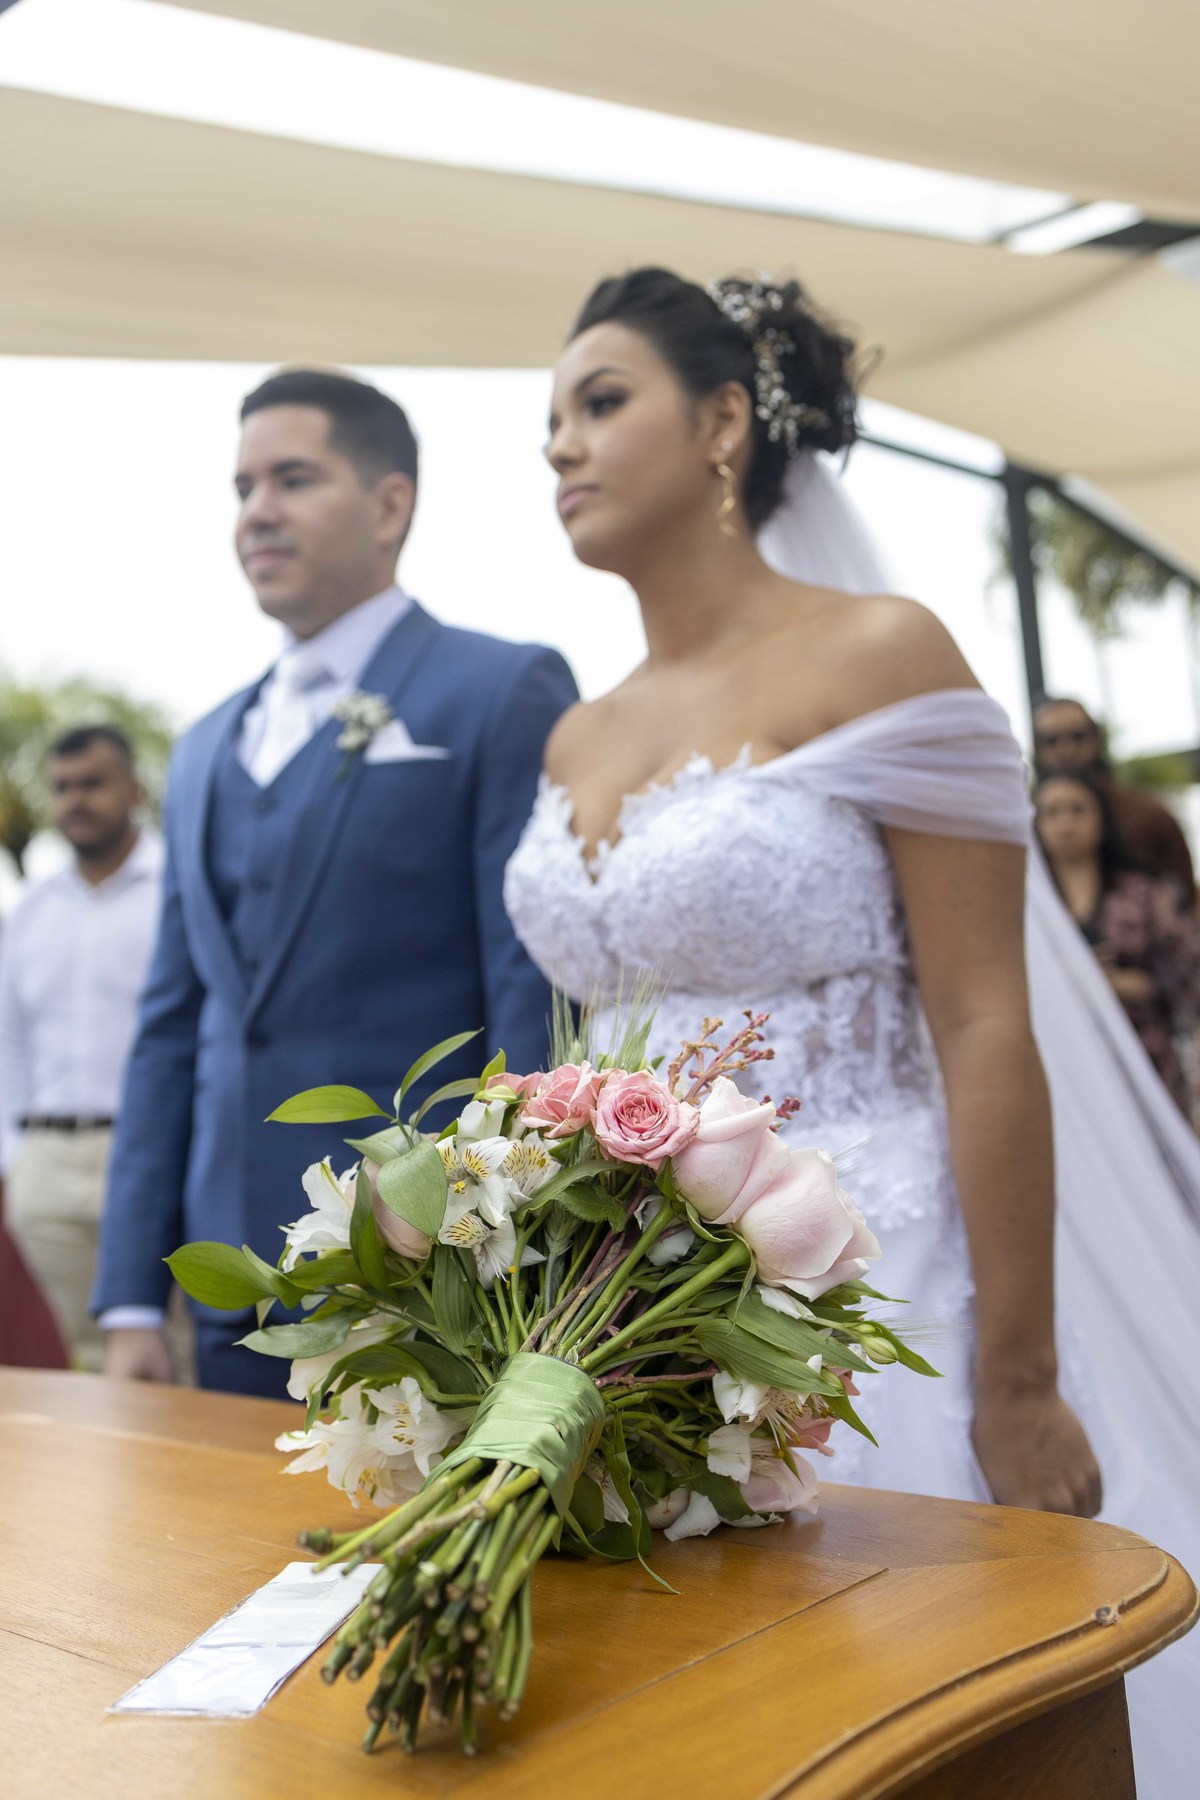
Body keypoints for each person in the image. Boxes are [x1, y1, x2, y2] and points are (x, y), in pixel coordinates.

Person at [502, 267, 1200, 1797]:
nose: (560, 443)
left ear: (726, 423)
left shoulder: (879, 653)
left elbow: (984, 1017)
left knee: (919, 1712)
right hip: (636, 1310)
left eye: (601, 401)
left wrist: (1014, 1374)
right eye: (548, 419)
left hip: (885, 1295)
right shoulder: (577, 733)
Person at [94, 369, 577, 1397]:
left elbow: (529, 1000)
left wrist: (517, 1247)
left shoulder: (497, 689)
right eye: (241, 488)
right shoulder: (200, 748)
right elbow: (172, 1028)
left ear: (390, 503)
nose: (256, 512)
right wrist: (132, 1295)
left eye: (292, 478)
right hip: (226, 1290)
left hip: (425, 1281)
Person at [0, 727, 165, 1368]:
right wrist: (16, 1159)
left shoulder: (177, 891)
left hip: (147, 1158)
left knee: (167, 1352)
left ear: (134, 790)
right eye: (62, 787)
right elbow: (9, 1039)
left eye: (92, 783)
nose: (75, 800)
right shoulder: (32, 910)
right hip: (46, 1164)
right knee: (83, 1358)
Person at [1034, 771, 1200, 1113]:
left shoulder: (1146, 893)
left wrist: (1122, 983)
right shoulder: (1030, 908)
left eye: (1077, 810)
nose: (1064, 823)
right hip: (1067, 1065)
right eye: (1052, 812)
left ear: (1101, 818)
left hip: (1144, 1056)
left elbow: (1188, 973)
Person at [1033, 695, 1196, 904]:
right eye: (1051, 740)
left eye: (1077, 736)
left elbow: (1184, 904)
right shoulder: (1025, 826)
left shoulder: (1149, 817)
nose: (1066, 749)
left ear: (1096, 740)